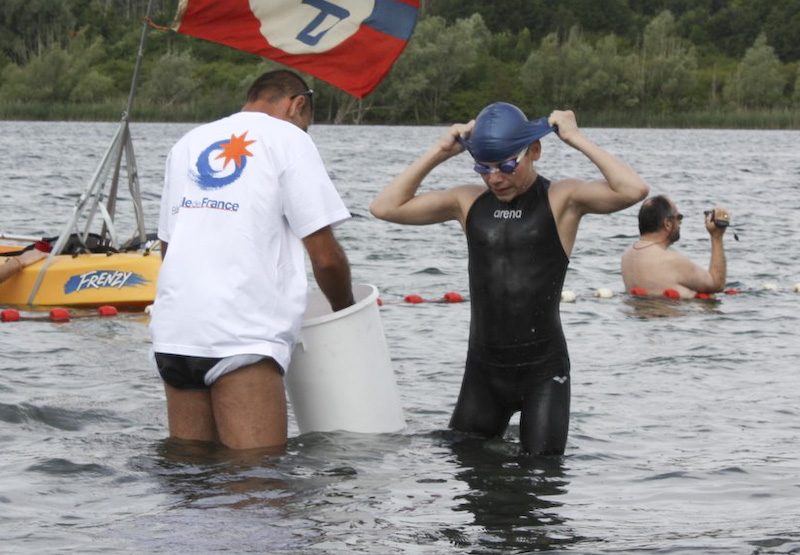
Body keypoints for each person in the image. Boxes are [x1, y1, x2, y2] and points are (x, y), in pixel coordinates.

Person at [370, 102, 649, 455]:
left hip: (543, 372)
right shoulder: (467, 201)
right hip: (483, 373)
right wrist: (439, 152)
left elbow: (633, 189)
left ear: (534, 151)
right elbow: (384, 207)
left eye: (505, 166)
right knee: (467, 470)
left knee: (542, 476)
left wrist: (576, 138)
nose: (495, 179)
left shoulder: (562, 199)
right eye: (483, 168)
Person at [149, 69, 354, 451]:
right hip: (241, 336)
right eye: (307, 121)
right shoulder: (290, 139)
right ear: (298, 105)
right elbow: (326, 258)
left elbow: (168, 246)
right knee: (258, 479)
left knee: (189, 475)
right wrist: (346, 314)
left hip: (174, 332)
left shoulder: (188, 142)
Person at [621, 194, 728, 298]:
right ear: (667, 224)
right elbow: (717, 284)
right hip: (668, 309)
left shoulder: (627, 255)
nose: (680, 223)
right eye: (679, 217)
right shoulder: (671, 260)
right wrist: (716, 236)